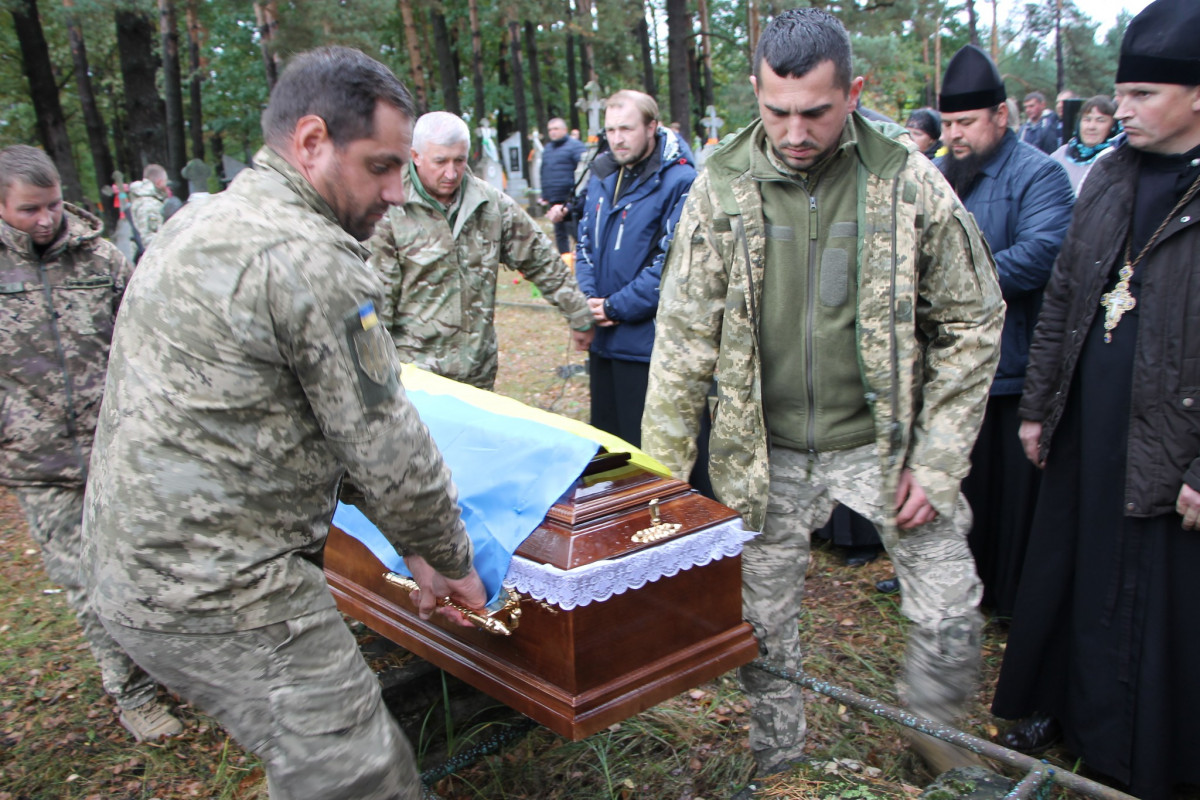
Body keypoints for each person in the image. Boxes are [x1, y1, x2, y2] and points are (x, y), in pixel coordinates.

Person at [81, 48, 486, 800]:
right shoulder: (311, 257)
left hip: (132, 565)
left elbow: (291, 417)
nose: (398, 192)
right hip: (221, 584)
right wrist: (451, 557)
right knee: (359, 776)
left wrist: (415, 550)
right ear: (311, 142)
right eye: (381, 166)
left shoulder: (200, 221)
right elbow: (386, 445)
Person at [640, 8, 1004, 787]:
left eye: (815, 112)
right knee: (763, 625)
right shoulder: (721, 189)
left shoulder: (907, 182)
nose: (794, 132)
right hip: (762, 454)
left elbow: (973, 320)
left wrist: (937, 460)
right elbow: (681, 343)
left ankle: (935, 745)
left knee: (948, 613)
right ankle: (784, 766)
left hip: (885, 448)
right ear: (756, 91)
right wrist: (663, 485)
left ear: (855, 92)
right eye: (776, 111)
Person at [991, 1, 1200, 796]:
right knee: (1077, 571)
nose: (1122, 110)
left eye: (1145, 94)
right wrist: (1042, 406)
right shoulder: (1110, 173)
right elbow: (1069, 294)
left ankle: (1147, 751)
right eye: (1123, 93)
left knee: (1155, 596)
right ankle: (1066, 713)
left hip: (1172, 439)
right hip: (1089, 421)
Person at [0, 145, 182, 742]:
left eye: (52, 205)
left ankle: (168, 664)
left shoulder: (100, 258)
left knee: (146, 568)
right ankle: (132, 695)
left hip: (117, 450)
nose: (46, 219)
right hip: (39, 463)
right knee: (89, 585)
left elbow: (146, 337)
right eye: (29, 210)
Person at [935, 45, 1074, 618]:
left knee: (1006, 498)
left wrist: (948, 287)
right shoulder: (939, 175)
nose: (954, 135)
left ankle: (1007, 597)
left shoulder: (1040, 176)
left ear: (1001, 116)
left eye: (965, 123)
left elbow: (1038, 257)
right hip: (946, 371)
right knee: (952, 488)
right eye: (946, 124)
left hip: (1010, 367)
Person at [368, 111, 593, 391]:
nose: (451, 173)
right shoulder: (388, 209)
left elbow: (541, 259)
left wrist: (579, 315)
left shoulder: (489, 204)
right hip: (415, 378)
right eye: (440, 162)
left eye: (459, 161)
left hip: (477, 374)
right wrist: (377, 380)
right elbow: (375, 301)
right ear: (415, 156)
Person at [575, 89, 695, 446]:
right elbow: (584, 245)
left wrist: (616, 306)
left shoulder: (680, 182)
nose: (617, 139)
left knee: (646, 454)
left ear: (652, 127)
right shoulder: (602, 177)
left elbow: (672, 262)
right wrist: (590, 299)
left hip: (647, 344)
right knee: (609, 452)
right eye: (610, 131)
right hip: (603, 339)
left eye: (626, 129)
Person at [1050, 95, 1120, 194]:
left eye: (1100, 120)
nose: (1091, 126)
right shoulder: (1060, 155)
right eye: (1087, 119)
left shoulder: (1117, 161)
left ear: (1112, 126)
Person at [539, 117, 588, 254]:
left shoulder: (575, 146)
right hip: (554, 197)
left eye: (556, 129)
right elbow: (544, 171)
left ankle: (584, 257)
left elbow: (583, 171)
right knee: (560, 233)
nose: (552, 132)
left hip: (571, 198)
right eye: (550, 130)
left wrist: (576, 194)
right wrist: (545, 194)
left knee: (575, 231)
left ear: (564, 130)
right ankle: (565, 260)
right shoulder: (548, 149)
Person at [127, 162, 167, 256]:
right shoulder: (148, 204)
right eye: (165, 181)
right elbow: (149, 239)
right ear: (159, 182)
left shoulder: (145, 200)